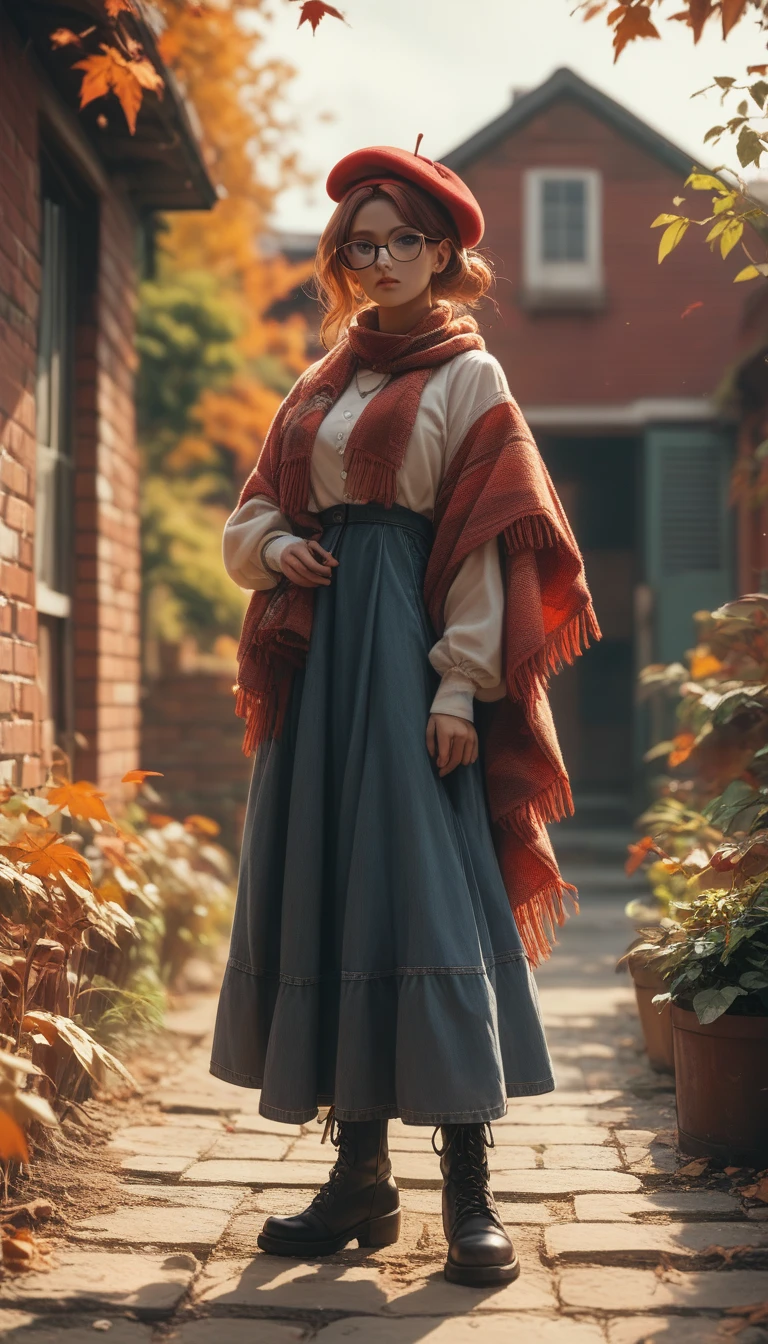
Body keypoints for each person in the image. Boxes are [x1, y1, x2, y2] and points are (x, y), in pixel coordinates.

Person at [210, 140, 599, 1287]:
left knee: (428, 899)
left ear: (445, 254)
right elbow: (253, 516)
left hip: (409, 663)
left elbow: (486, 550)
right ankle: (360, 1181)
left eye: (401, 242)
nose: (379, 260)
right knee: (338, 896)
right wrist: (281, 546)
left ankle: (470, 1191)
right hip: (320, 667)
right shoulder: (318, 383)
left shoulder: (473, 379)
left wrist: (458, 689)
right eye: (360, 243)